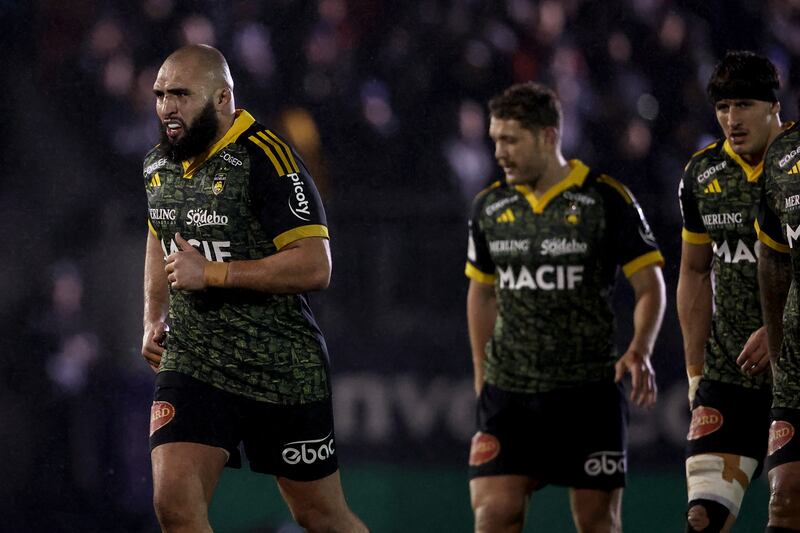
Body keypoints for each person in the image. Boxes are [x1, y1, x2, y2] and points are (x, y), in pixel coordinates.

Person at [140, 44, 367, 533]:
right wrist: (153, 315)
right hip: (194, 359)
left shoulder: (268, 159)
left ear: (222, 98)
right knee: (174, 505)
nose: (166, 106)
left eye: (180, 94)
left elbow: (315, 266)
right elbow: (160, 231)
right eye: (160, 95)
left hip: (279, 365)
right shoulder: (158, 164)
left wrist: (214, 274)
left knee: (320, 517)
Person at [464, 82, 666, 533]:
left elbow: (650, 284)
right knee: (494, 515)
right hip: (509, 393)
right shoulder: (489, 207)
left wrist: (642, 346)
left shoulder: (606, 199)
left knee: (597, 523)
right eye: (495, 139)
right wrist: (482, 375)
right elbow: (482, 293)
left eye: (511, 139)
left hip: (587, 393)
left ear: (549, 137)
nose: (499, 151)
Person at [677, 50, 784, 533]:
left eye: (742, 105)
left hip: (794, 371)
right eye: (722, 107)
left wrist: (779, 326)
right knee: (702, 518)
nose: (731, 119)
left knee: (786, 509)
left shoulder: (797, 165)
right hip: (729, 374)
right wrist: (697, 374)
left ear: (772, 106)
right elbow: (695, 273)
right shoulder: (701, 175)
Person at [757, 113, 800, 532]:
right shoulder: (785, 157)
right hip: (797, 365)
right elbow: (772, 260)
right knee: (784, 496)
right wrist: (775, 346)